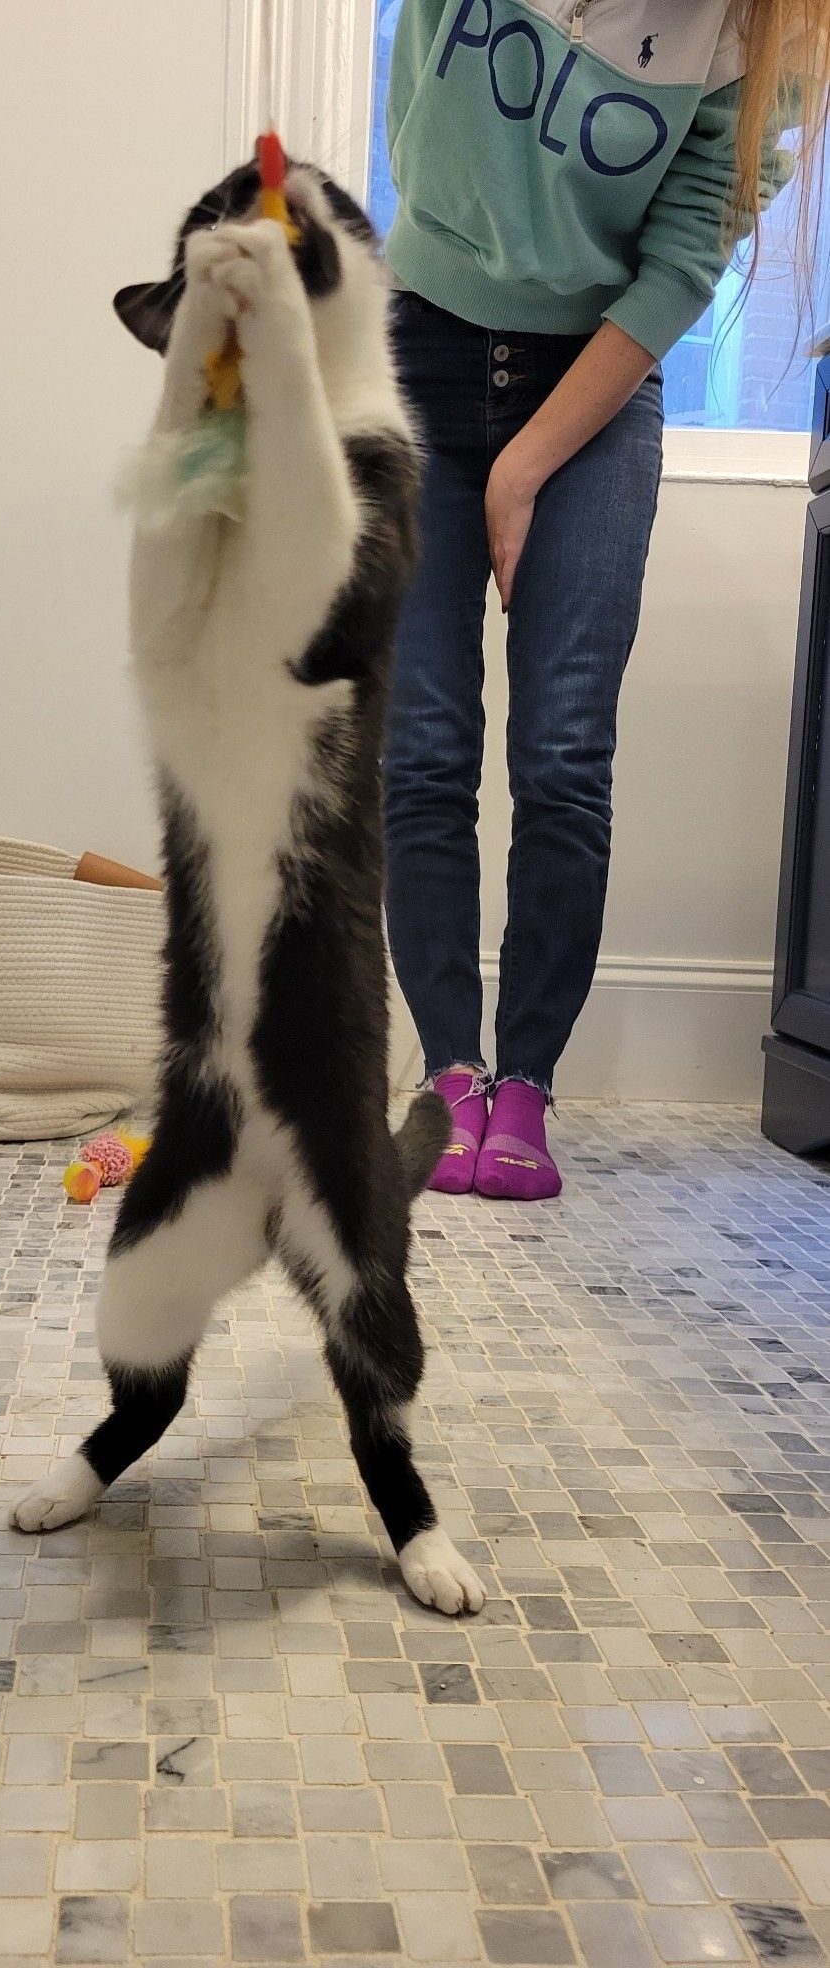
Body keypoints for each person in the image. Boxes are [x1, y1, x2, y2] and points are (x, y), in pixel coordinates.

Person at [383, 0, 827, 1199]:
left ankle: (524, 1082)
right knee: (419, 744)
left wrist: (526, 464)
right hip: (416, 352)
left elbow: (683, 260)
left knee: (563, 754)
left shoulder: (760, 32)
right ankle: (449, 1075)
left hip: (590, 395)